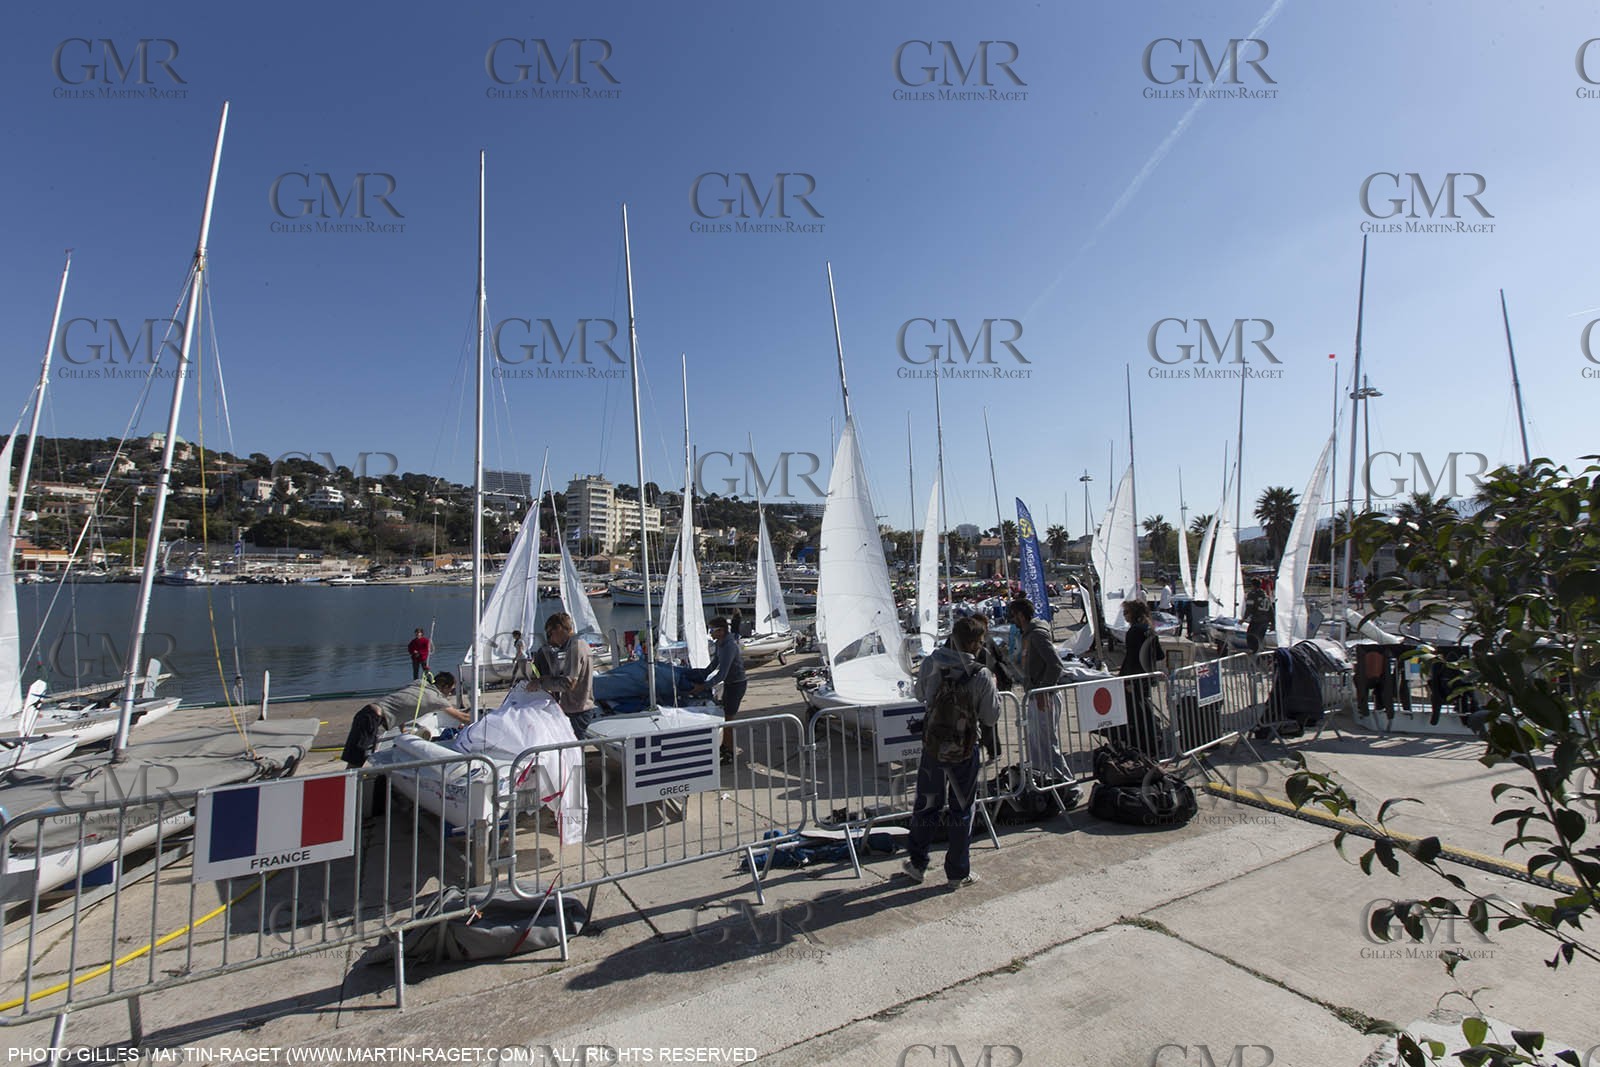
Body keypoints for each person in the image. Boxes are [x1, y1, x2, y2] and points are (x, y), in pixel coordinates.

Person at [901, 617, 1000, 889]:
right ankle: (957, 872)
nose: (982, 647)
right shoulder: (980, 673)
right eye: (981, 642)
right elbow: (990, 717)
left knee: (927, 804)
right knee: (962, 810)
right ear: (971, 643)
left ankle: (918, 863)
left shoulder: (932, 662)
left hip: (934, 745)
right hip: (966, 749)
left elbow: (921, 694)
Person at [1009, 597, 1070, 780]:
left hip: (1044, 696)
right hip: (1035, 695)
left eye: (1013, 616)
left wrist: (1044, 690)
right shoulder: (1029, 634)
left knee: (1047, 743)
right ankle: (1039, 778)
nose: (1012, 620)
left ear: (1020, 615)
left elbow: (1055, 665)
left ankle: (1064, 782)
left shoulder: (1037, 634)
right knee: (1034, 742)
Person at [533, 612, 597, 736]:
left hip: (577, 712)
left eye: (550, 633)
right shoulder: (580, 644)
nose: (550, 639)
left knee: (573, 751)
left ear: (559, 628)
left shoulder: (575, 647)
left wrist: (540, 683)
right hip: (578, 709)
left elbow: (568, 683)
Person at [693, 616, 747, 763]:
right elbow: (713, 665)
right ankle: (725, 745)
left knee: (728, 718)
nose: (710, 633)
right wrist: (698, 674)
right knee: (724, 716)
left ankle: (730, 752)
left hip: (737, 685)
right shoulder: (719, 644)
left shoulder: (729, 646)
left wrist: (703, 687)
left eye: (712, 630)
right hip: (730, 684)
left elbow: (722, 673)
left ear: (721, 631)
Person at [1116, 601, 1164, 756]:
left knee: (1137, 712)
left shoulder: (1134, 631)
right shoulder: (1149, 628)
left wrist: (1127, 680)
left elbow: (1132, 658)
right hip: (1147, 674)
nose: (1125, 616)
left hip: (1135, 677)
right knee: (1144, 709)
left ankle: (1143, 743)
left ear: (1133, 613)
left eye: (1126, 613)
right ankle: (1152, 740)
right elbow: (1159, 654)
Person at [1244, 578, 1274, 654]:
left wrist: (1244, 618)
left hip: (1257, 620)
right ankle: (1260, 654)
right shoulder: (1266, 596)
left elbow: (1249, 608)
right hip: (1265, 621)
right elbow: (1271, 610)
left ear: (1253, 585)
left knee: (1250, 636)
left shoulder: (1252, 594)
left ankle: (1254, 653)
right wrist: (1273, 623)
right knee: (1260, 638)